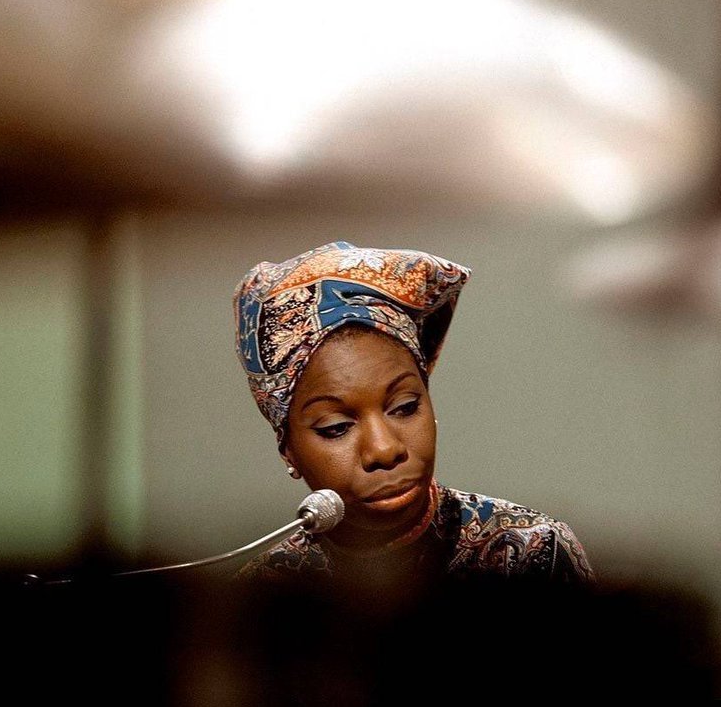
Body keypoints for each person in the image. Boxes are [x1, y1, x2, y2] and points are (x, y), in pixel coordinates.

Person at [232, 240, 592, 594]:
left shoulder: (528, 555)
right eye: (336, 427)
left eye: (405, 407)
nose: (385, 450)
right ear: (288, 450)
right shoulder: (267, 592)